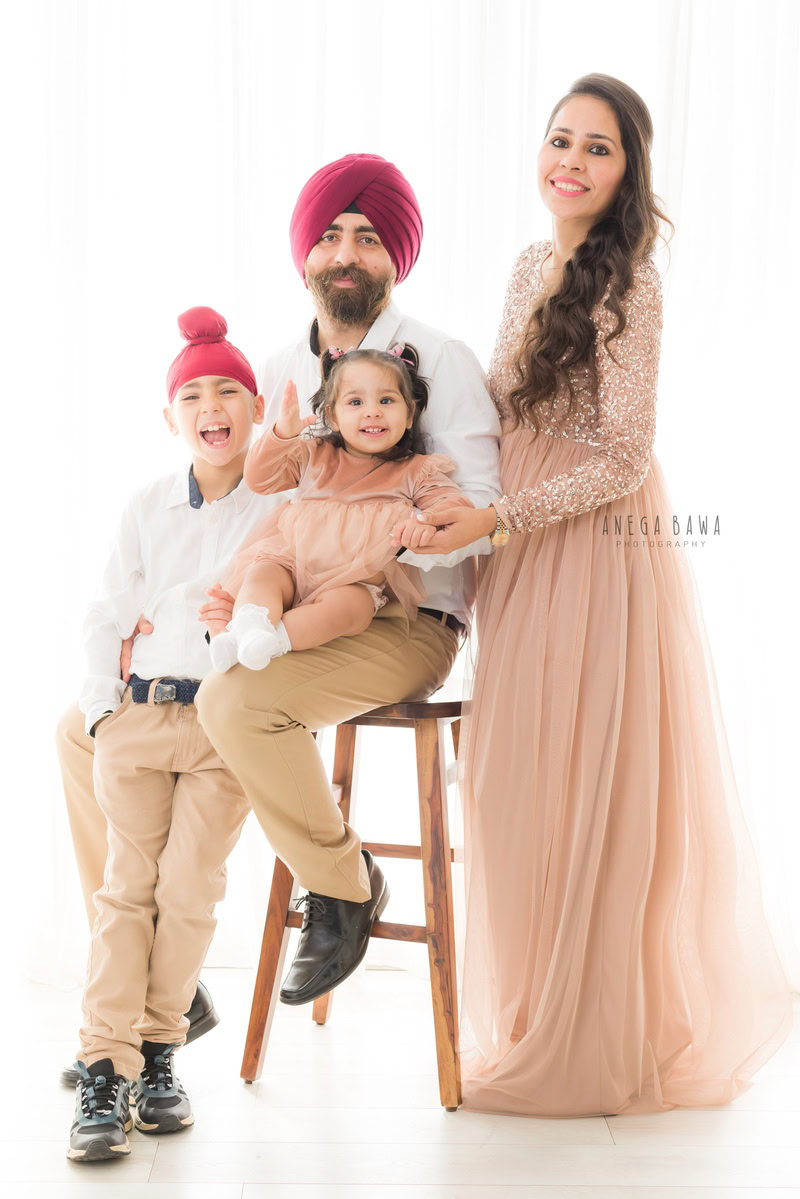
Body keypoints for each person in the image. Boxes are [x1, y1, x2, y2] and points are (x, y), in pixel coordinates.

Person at [392, 74, 794, 1115]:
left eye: (596, 148)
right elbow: (497, 404)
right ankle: (531, 1009)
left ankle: (587, 1030)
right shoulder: (531, 261)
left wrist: (502, 517)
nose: (568, 159)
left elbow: (622, 455)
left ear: (627, 172)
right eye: (558, 138)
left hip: (586, 548)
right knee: (511, 782)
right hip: (514, 543)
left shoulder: (633, 283)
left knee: (580, 789)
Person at [194, 152, 501, 1009]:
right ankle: (177, 982)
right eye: (329, 235)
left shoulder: (440, 357)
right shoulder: (283, 368)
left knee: (234, 703)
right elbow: (258, 495)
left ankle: (343, 885)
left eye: (368, 238)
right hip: (287, 600)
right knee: (197, 695)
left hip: (403, 618)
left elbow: (479, 504)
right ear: (304, 258)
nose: (346, 254)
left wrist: (389, 548)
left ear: (395, 258)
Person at [67, 307, 281, 1163]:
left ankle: (159, 1055)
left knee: (191, 889)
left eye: (228, 388)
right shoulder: (147, 505)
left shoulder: (278, 509)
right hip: (141, 716)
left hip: (224, 724)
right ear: (171, 419)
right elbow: (107, 611)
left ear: (257, 406)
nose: (211, 404)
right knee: (128, 889)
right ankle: (104, 1067)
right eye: (191, 394)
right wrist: (99, 708)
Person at [210, 344, 474, 674]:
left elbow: (451, 506)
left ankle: (269, 641)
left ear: (409, 414)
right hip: (290, 562)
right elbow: (259, 478)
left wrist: (425, 524)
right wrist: (281, 434)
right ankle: (248, 627)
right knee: (262, 574)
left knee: (353, 609)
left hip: (353, 580)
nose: (373, 412)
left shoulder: (414, 470)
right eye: (356, 402)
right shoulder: (313, 455)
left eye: (386, 401)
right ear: (333, 417)